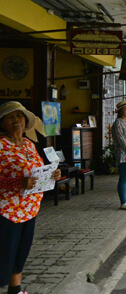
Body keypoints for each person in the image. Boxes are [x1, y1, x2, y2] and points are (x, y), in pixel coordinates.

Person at [0, 101, 61, 293]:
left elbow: (37, 170)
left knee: (20, 251)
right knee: (4, 254)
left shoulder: (29, 144)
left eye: (19, 116)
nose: (16, 120)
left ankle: (15, 288)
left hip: (30, 209)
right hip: (6, 211)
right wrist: (16, 183)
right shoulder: (0, 145)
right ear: (2, 122)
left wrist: (52, 174)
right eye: (10, 116)